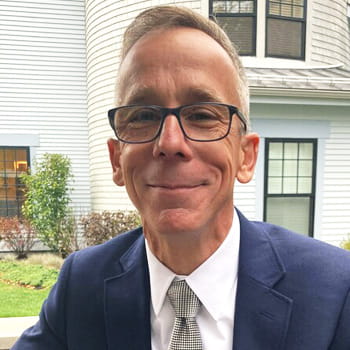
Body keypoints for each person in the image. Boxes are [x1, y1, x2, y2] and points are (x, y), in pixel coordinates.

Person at [13, 5, 350, 350]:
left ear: (246, 156)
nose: (170, 143)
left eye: (202, 115)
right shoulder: (82, 284)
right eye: (143, 114)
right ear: (116, 159)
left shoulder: (335, 289)